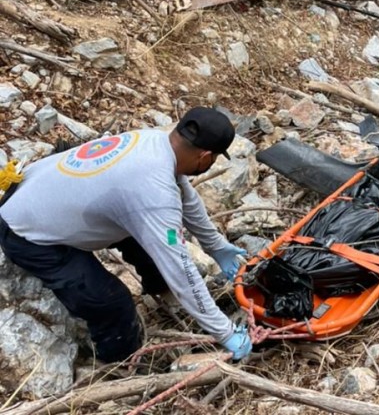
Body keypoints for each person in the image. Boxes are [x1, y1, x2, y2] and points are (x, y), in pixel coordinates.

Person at [0, 107, 253, 363]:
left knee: (152, 238)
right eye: (215, 159)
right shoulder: (152, 193)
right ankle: (119, 364)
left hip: (44, 198)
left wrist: (216, 246)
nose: (212, 164)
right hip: (24, 232)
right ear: (205, 156)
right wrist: (225, 332)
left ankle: (165, 295)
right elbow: (181, 269)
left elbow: (185, 195)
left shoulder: (155, 142)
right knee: (112, 303)